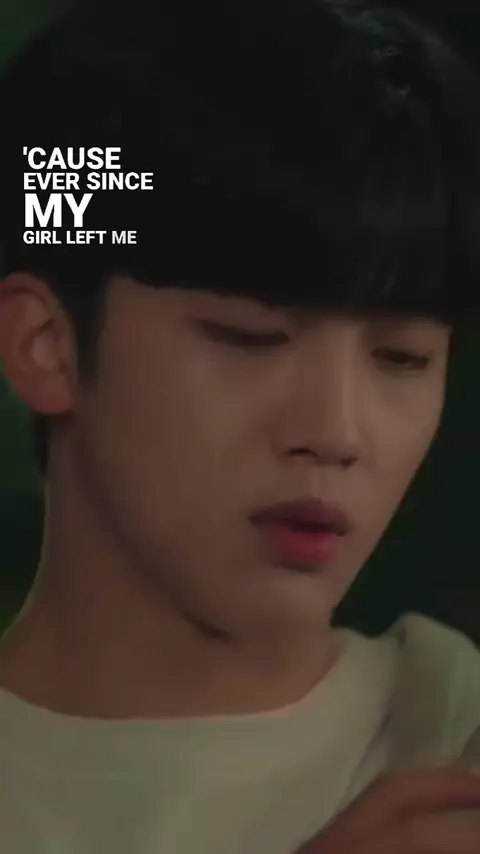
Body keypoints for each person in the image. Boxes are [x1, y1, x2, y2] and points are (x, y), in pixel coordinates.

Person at [0, 0, 480, 851]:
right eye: (250, 338)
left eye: (403, 358)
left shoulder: (451, 737)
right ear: (47, 346)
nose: (336, 432)